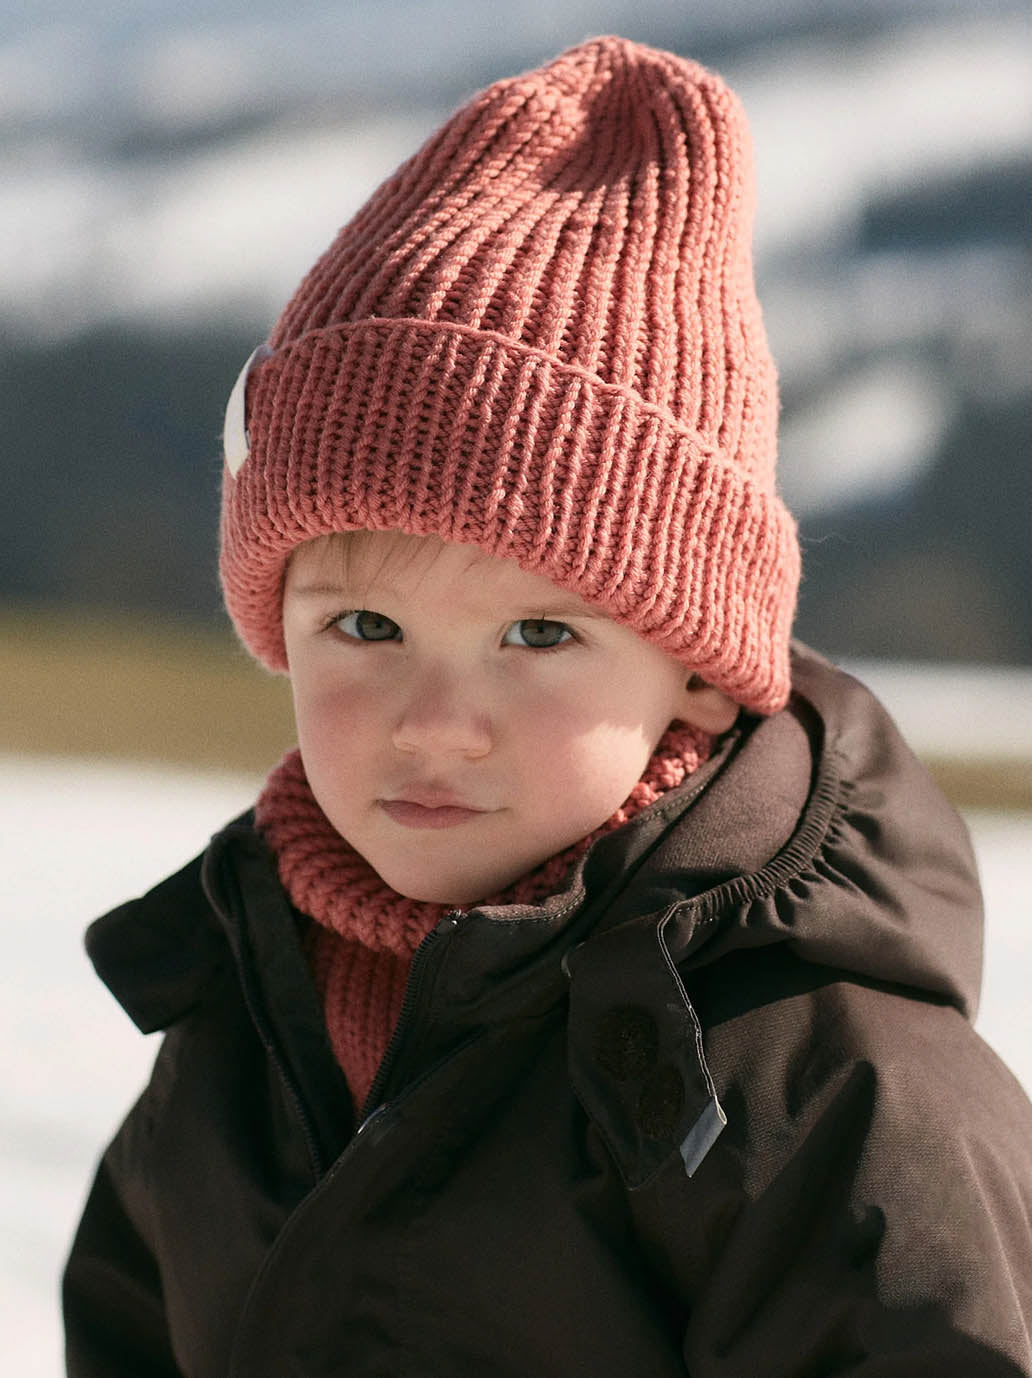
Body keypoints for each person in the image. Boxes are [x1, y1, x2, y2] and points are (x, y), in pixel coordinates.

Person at [63, 35, 1032, 1377]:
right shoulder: (239, 1017)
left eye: (537, 632)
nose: (436, 717)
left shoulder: (820, 1089)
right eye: (365, 626)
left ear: (698, 664)